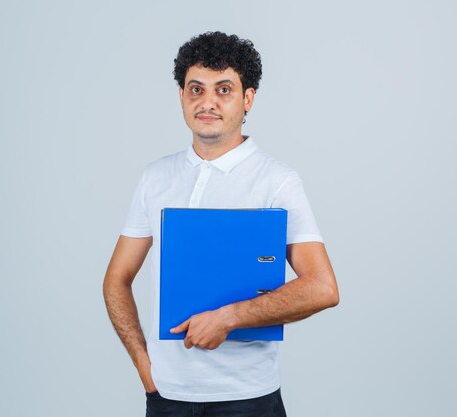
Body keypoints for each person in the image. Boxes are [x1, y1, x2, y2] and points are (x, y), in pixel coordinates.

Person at [102, 31, 339, 417]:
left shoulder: (277, 180)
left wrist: (230, 317)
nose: (207, 101)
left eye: (223, 89)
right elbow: (116, 278)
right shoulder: (155, 177)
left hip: (248, 400)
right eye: (196, 89)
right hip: (166, 400)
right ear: (181, 96)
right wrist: (146, 369)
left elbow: (322, 288)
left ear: (248, 99)